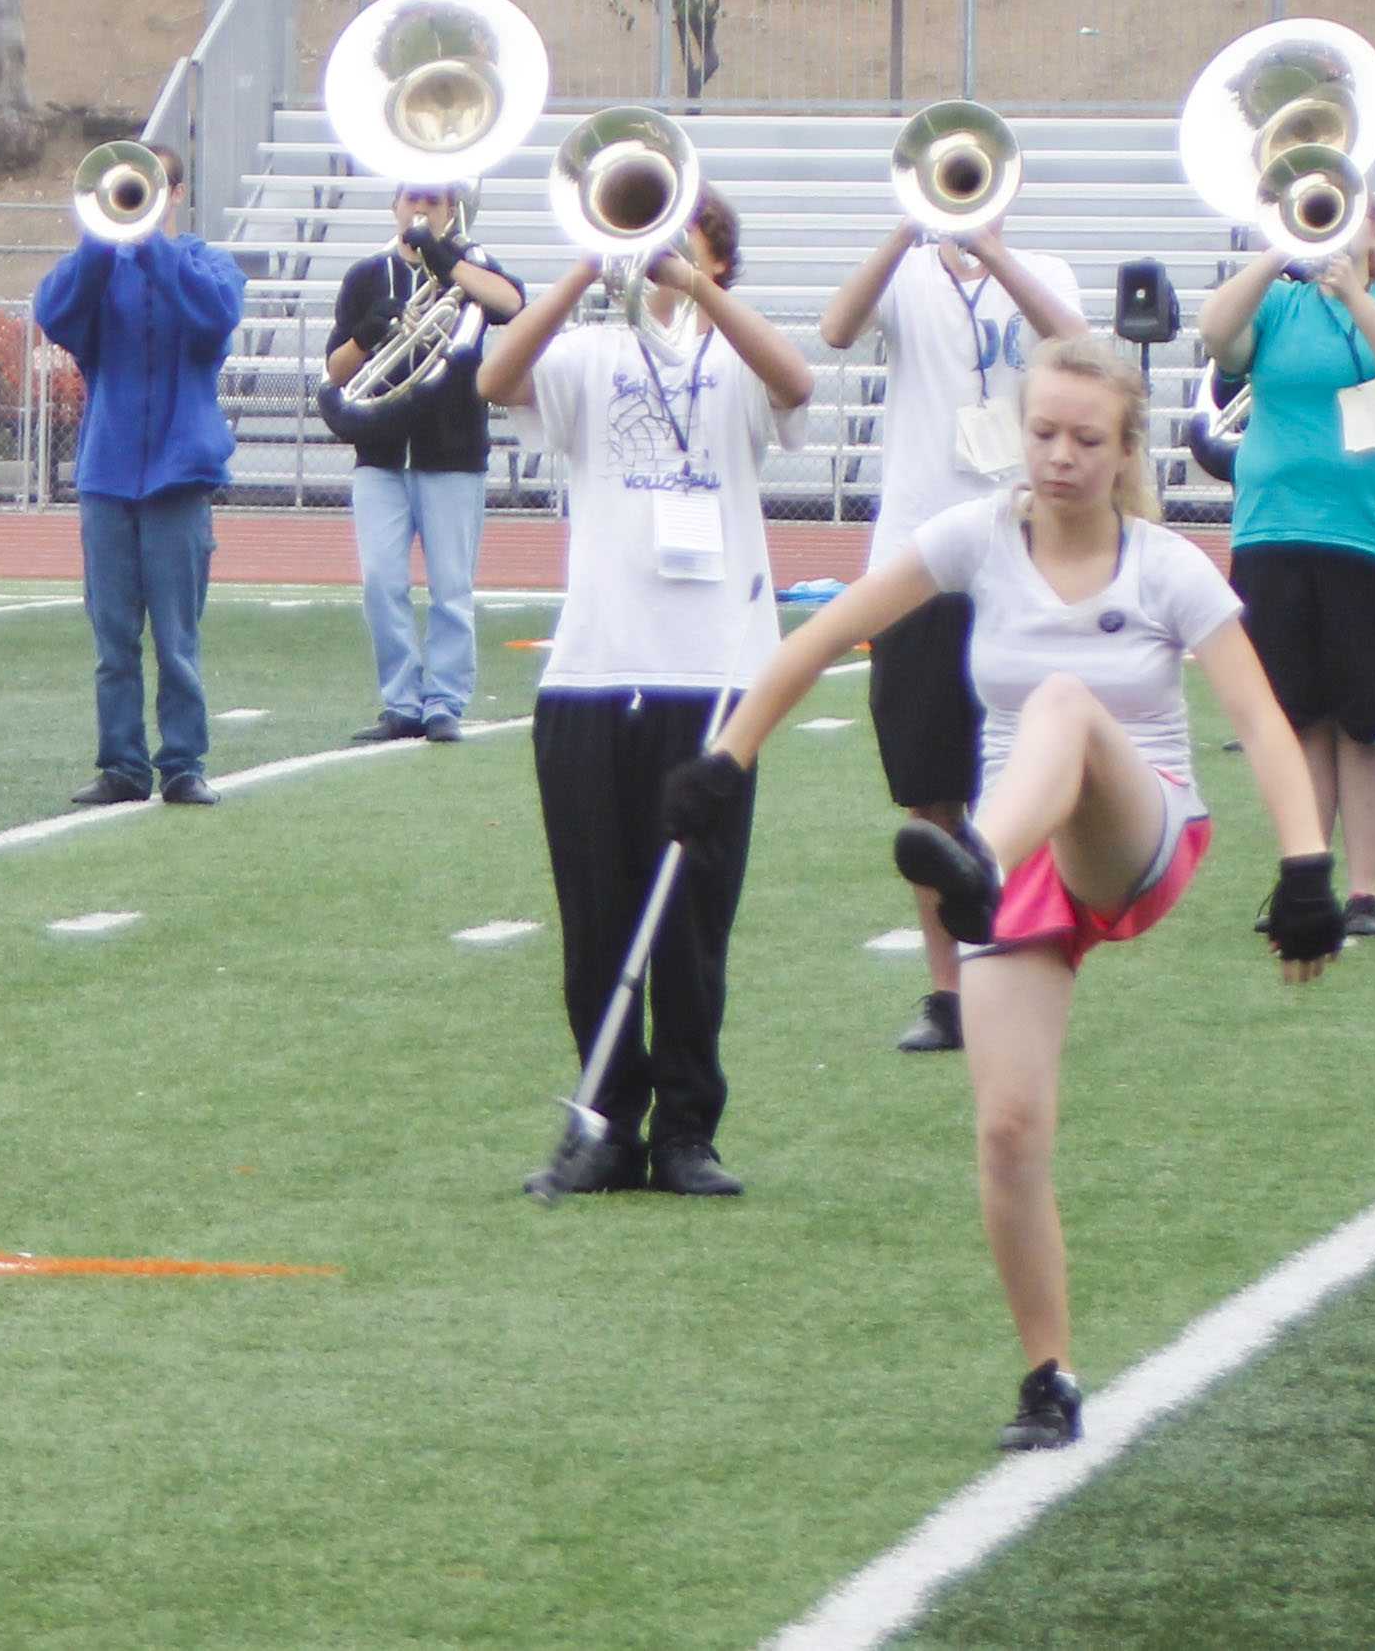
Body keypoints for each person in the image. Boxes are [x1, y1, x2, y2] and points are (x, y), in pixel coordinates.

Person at [664, 334, 1342, 1452]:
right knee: (1009, 1128)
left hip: (1135, 833)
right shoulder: (979, 536)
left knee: (1067, 704)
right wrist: (727, 758)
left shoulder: (1165, 565)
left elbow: (1262, 724)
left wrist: (1305, 864)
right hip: (1012, 867)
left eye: (1086, 439)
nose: (1060, 457)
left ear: (1126, 450)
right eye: (1041, 434)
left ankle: (970, 860)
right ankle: (1048, 1377)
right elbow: (831, 629)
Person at [475, 191, 814, 1202]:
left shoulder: (736, 365)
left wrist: (694, 287)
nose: (659, 261)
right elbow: (496, 380)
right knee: (596, 920)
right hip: (592, 671)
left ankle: (688, 1131)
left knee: (693, 923)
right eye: (649, 242)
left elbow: (796, 380)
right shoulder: (586, 354)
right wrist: (586, 268)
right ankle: (605, 1124)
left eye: (686, 245)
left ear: (718, 262)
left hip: (712, 674)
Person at [819, 213, 1084, 1054]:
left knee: (1023, 778)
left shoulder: (1040, 263)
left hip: (1022, 551)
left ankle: (1020, 963)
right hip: (914, 558)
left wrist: (996, 256)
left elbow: (1079, 348)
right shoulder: (902, 275)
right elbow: (833, 329)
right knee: (928, 788)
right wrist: (901, 233)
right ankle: (947, 993)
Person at [1196, 198, 1375, 939]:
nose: (1331, 227)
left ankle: (1367, 891)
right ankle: (1304, 873)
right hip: (1274, 530)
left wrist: (1355, 296)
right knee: (1296, 714)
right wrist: (1277, 252)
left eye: (1346, 214)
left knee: (1368, 721)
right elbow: (1215, 334)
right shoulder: (1274, 303)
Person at [36, 143, 244, 806]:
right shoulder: (98, 268)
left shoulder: (207, 263)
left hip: (179, 476)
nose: (137, 202)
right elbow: (57, 314)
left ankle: (182, 762)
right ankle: (121, 764)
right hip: (106, 474)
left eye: (149, 190)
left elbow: (213, 317)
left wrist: (149, 242)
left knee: (176, 639)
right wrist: (103, 240)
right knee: (112, 639)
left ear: (174, 194)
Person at [326, 187, 522, 746]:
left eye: (435, 201)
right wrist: (367, 333)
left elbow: (510, 304)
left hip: (452, 453)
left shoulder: (473, 264)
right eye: (412, 198)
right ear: (393, 206)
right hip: (380, 454)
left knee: (451, 589)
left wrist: (445, 260)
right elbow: (337, 371)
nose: (422, 209)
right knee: (380, 581)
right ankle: (400, 701)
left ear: (451, 210)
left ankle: (445, 701)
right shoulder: (366, 274)